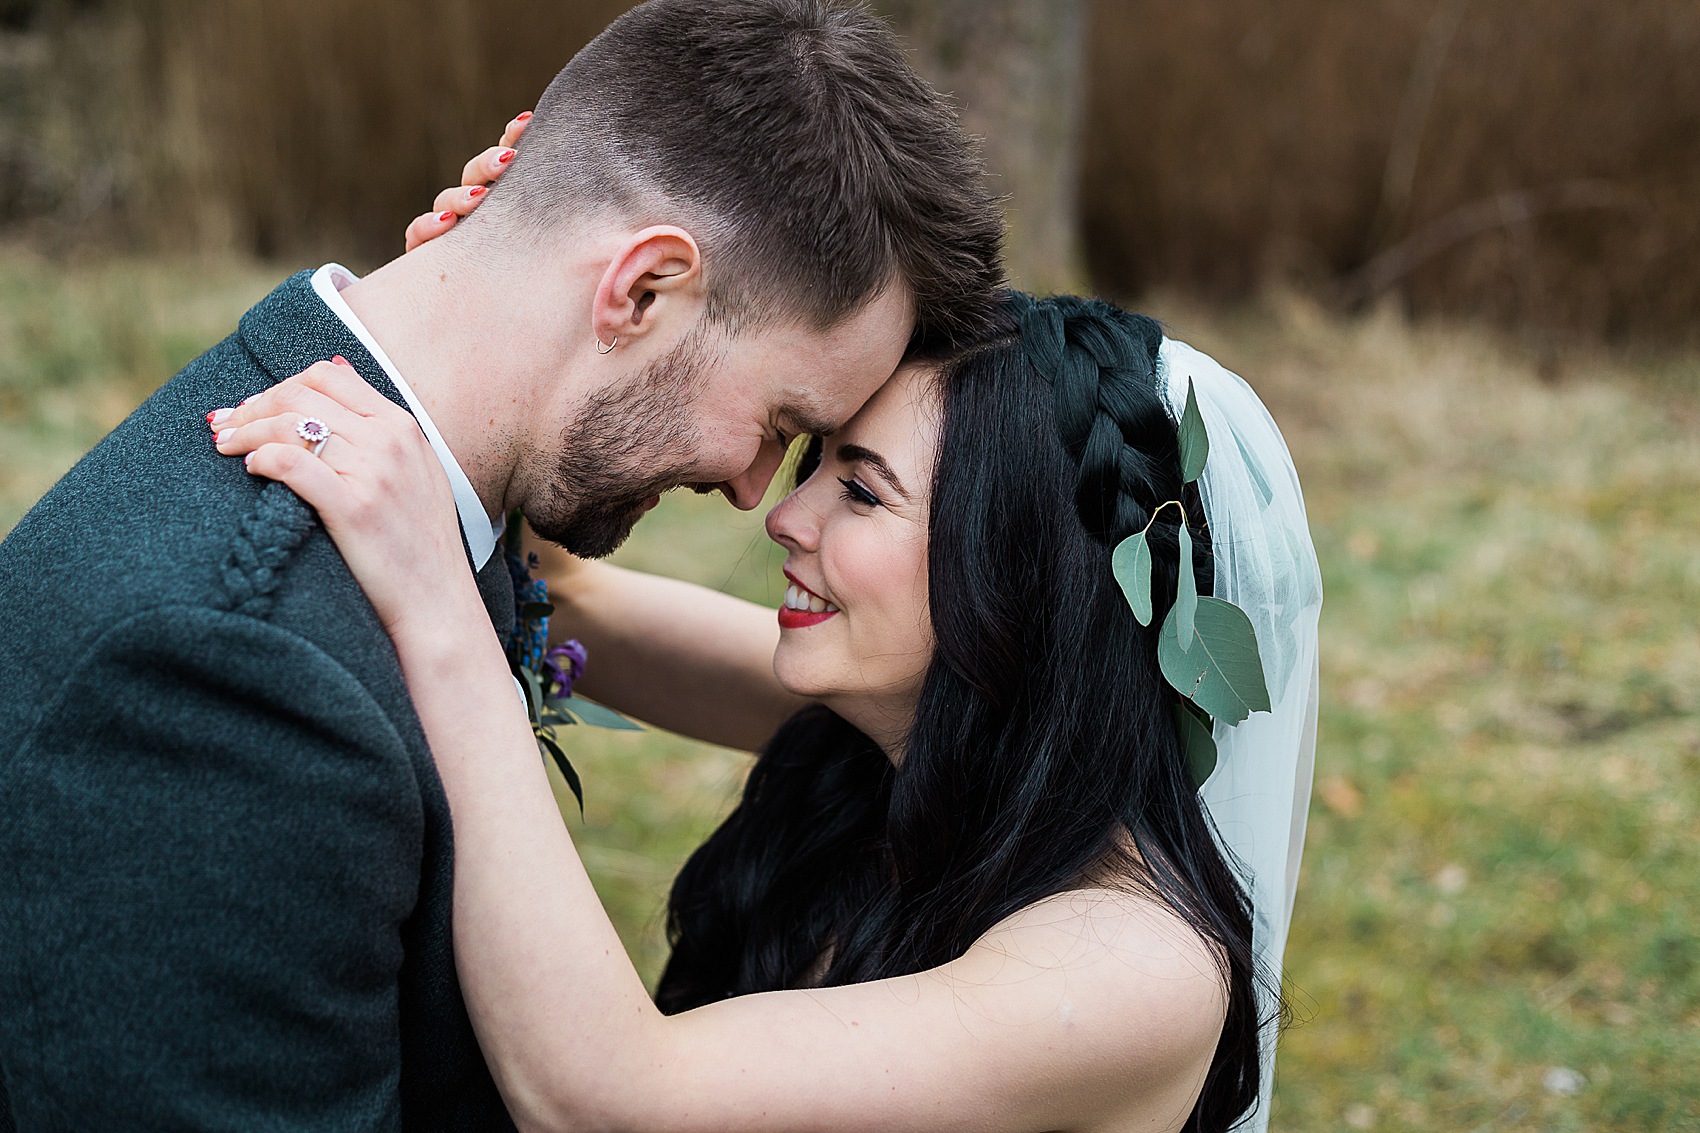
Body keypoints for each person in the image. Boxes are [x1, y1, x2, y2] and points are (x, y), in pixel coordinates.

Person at [0, 2, 1002, 1127]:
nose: (750, 488)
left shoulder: (428, 507)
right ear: (638, 290)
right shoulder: (232, 673)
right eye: (778, 417)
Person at [213, 291, 1323, 1133]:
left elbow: (605, 1093)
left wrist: (437, 622)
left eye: (860, 487)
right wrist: (501, 303)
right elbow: (569, 600)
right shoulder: (900, 737)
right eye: (815, 463)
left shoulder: (1128, 969)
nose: (782, 514)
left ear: (1015, 576)